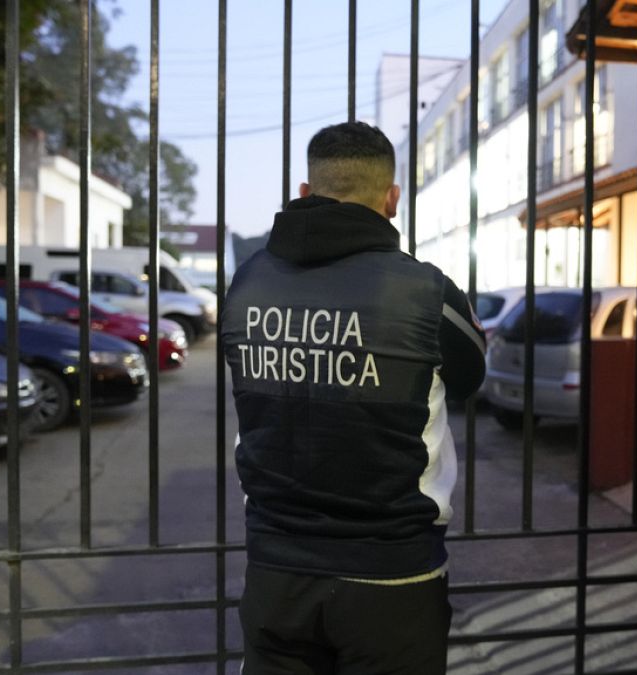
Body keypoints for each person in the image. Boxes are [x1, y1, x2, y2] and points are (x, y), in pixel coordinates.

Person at [222, 121, 486, 675]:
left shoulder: (246, 285)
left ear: (304, 192)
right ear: (391, 199)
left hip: (276, 567)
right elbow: (469, 377)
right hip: (393, 574)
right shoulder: (427, 292)